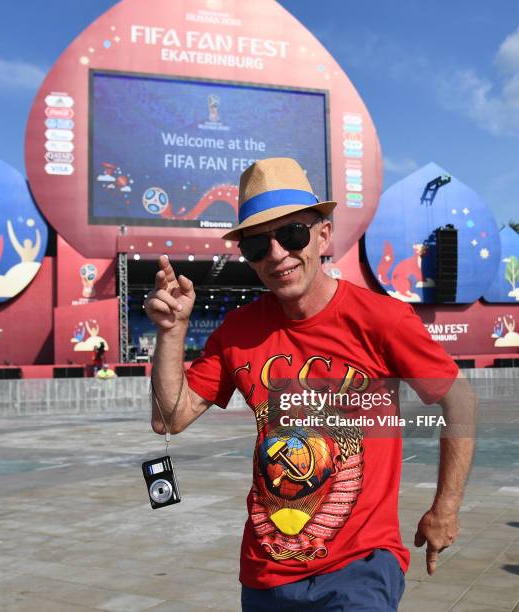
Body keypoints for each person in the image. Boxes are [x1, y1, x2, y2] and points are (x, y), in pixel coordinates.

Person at [144, 157, 477, 611]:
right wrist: (171, 332)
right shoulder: (238, 332)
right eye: (258, 245)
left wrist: (447, 507)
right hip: (265, 574)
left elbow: (459, 402)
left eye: (293, 234)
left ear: (323, 234)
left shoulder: (381, 319)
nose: (277, 253)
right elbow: (170, 418)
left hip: (360, 567)